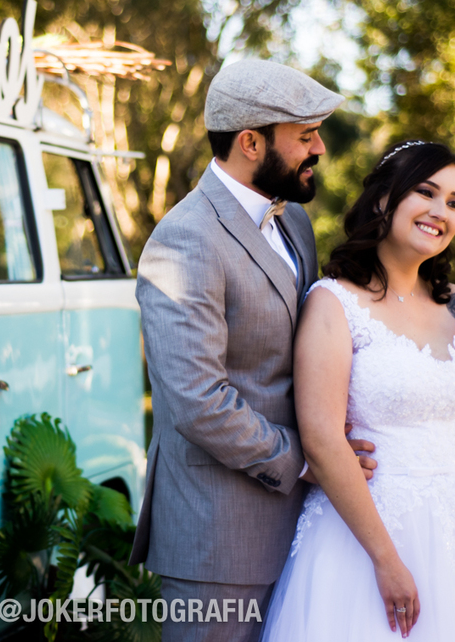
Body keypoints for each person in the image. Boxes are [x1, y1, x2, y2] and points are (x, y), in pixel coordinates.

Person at [130, 59, 377, 642]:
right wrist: (308, 461)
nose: (318, 148)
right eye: (304, 136)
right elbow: (198, 400)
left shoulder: (295, 226)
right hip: (219, 539)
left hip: (305, 528)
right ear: (250, 141)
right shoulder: (185, 239)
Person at [260, 139, 455, 641]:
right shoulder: (333, 302)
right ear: (383, 200)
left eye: (454, 202)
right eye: (426, 192)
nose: (441, 211)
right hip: (360, 540)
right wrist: (385, 560)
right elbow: (320, 437)